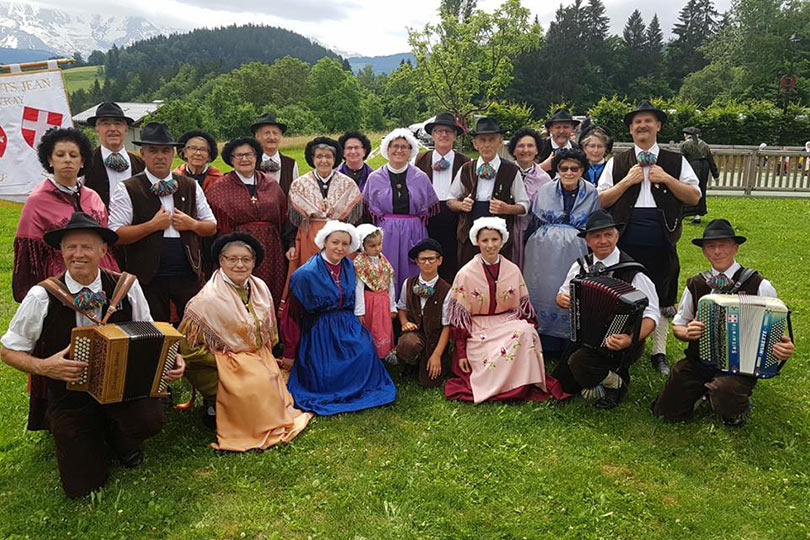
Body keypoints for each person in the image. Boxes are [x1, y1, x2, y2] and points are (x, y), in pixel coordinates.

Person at [0, 212, 185, 497]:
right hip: (70, 396)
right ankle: (88, 438)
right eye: (71, 247)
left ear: (103, 250)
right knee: (82, 487)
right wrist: (44, 366)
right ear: (61, 252)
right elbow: (8, 350)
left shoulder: (126, 286)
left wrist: (173, 358)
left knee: (151, 420)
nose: (78, 254)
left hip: (124, 389)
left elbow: (152, 332)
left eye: (87, 246)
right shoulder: (42, 295)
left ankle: (120, 440)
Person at [652, 219, 795, 426]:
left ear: (735, 248)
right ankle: (705, 394)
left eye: (723, 245)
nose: (717, 251)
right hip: (699, 362)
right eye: (711, 246)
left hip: (741, 367)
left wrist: (784, 347)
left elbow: (778, 333)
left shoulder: (759, 285)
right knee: (665, 412)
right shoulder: (696, 283)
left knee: (725, 391)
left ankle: (735, 407)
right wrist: (686, 332)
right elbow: (679, 325)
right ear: (704, 252)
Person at [597, 100, 701, 377]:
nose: (642, 126)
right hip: (626, 237)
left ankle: (659, 352)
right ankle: (619, 345)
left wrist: (666, 178)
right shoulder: (617, 161)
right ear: (631, 130)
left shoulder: (676, 161)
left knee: (663, 292)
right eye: (637, 122)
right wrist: (627, 182)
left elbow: (694, 196)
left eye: (648, 121)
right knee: (622, 291)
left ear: (658, 126)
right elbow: (601, 200)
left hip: (662, 236)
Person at [179, 232, 312, 448]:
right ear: (221, 261)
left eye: (246, 259)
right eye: (232, 259)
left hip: (254, 356)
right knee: (254, 385)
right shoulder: (206, 300)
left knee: (271, 381)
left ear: (253, 262)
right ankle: (218, 409)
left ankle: (240, 409)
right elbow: (190, 351)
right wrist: (233, 362)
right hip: (216, 363)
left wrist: (259, 358)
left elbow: (270, 333)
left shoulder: (259, 287)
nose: (239, 265)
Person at [444, 217, 565, 403]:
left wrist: (530, 331)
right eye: (485, 240)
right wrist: (460, 353)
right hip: (478, 325)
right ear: (477, 242)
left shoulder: (513, 270)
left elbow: (523, 309)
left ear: (502, 241)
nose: (490, 245)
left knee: (525, 331)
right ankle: (497, 385)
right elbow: (460, 319)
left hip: (507, 322)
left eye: (495, 239)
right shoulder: (466, 273)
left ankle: (521, 383)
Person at [282, 221, 397, 415]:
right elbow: (291, 316)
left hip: (347, 322)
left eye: (345, 244)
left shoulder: (351, 267)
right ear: (325, 241)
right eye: (335, 242)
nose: (340, 248)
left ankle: (358, 387)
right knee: (325, 368)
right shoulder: (305, 274)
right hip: (320, 328)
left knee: (364, 349)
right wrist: (290, 351)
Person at [108, 122, 217, 322]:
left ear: (174, 154)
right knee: (155, 330)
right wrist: (152, 226)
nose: (160, 156)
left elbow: (211, 226)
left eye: (166, 151)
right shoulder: (127, 188)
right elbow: (116, 235)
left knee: (194, 326)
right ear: (142, 154)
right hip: (147, 275)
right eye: (153, 151)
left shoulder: (190, 185)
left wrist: (191, 224)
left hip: (187, 272)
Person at [553, 210, 659, 409]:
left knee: (579, 363)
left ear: (617, 236)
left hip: (621, 343)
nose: (603, 241)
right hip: (586, 338)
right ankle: (600, 375)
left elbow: (652, 314)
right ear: (587, 241)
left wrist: (630, 339)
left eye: (608, 234)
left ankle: (617, 382)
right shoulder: (581, 266)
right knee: (564, 383)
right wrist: (562, 299)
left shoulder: (633, 272)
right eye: (596, 236)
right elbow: (561, 293)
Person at [13, 127, 120, 302]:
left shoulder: (93, 197)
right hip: (61, 279)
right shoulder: (37, 201)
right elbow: (29, 254)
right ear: (50, 159)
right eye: (60, 155)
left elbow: (107, 243)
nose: (67, 160)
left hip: (102, 274)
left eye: (73, 155)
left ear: (82, 160)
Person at [524, 148, 600, 357]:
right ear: (557, 169)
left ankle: (568, 340)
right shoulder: (545, 189)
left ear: (582, 169)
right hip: (543, 249)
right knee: (544, 289)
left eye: (574, 168)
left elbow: (593, 222)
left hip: (576, 248)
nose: (568, 172)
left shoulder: (592, 192)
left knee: (569, 290)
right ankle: (543, 341)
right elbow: (536, 218)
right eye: (563, 168)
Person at [205, 137, 288, 304]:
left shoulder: (271, 184)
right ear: (231, 159)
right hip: (237, 251)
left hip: (271, 250)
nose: (244, 159)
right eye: (239, 155)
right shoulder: (219, 187)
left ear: (256, 157)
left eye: (249, 154)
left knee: (268, 294)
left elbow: (282, 216)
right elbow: (215, 225)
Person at [285, 136, 363, 303]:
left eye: (328, 156)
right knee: (311, 277)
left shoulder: (348, 184)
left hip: (340, 237)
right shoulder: (299, 184)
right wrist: (292, 244)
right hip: (309, 237)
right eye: (319, 156)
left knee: (340, 279)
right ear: (312, 159)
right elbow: (293, 219)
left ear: (335, 159)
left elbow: (355, 220)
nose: (324, 160)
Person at [447, 117, 529, 268]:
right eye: (482, 140)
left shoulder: (511, 170)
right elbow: (450, 200)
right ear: (475, 144)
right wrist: (461, 205)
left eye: (491, 140)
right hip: (469, 237)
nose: (487, 144)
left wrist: (507, 208)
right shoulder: (466, 169)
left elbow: (524, 205)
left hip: (499, 240)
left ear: (500, 142)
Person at [364, 128, 439, 292]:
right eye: (395, 146)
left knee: (413, 269)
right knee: (386, 270)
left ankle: (412, 308)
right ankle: (387, 310)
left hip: (413, 231)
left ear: (410, 150)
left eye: (404, 147)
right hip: (386, 233)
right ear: (387, 149)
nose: (399, 150)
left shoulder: (421, 177)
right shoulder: (375, 178)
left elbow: (430, 208)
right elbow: (367, 208)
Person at [414, 112, 471, 281]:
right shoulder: (420, 159)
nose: (444, 135)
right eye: (439, 131)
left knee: (453, 261)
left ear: (455, 136)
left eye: (448, 131)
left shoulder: (465, 162)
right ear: (432, 135)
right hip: (428, 218)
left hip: (455, 218)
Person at [396, 238, 451, 388]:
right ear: (417, 262)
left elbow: (447, 326)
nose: (427, 263)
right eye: (423, 259)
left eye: (431, 259)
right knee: (408, 344)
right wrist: (404, 322)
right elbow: (401, 307)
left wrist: (437, 355)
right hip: (415, 334)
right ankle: (411, 362)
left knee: (430, 382)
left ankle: (428, 360)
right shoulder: (409, 283)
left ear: (439, 261)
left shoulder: (447, 290)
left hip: (435, 338)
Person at [82, 102, 145, 208]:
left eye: (118, 123)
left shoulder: (141, 164)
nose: (112, 128)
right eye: (105, 124)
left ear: (126, 129)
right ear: (97, 129)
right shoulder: (84, 163)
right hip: (97, 224)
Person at [506, 127, 553, 268]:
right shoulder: (505, 172)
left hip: (532, 233)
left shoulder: (544, 179)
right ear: (513, 151)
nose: (525, 150)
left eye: (530, 146)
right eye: (520, 146)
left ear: (537, 150)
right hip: (507, 231)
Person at [354, 224, 397, 360]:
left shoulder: (383, 260)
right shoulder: (359, 262)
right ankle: (370, 355)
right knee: (371, 327)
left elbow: (390, 283)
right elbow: (359, 287)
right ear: (363, 245)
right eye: (372, 246)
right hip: (369, 301)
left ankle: (383, 354)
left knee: (383, 327)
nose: (377, 248)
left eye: (379, 244)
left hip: (383, 300)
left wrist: (392, 305)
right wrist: (360, 310)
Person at [252, 112, 299, 195]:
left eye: (275, 133)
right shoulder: (251, 163)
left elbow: (296, 194)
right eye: (267, 133)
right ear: (257, 136)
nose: (272, 137)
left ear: (280, 136)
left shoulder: (291, 164)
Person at [680, 127, 719, 224]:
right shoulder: (705, 145)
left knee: (690, 188)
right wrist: (715, 174)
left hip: (693, 166)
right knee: (701, 189)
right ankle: (697, 215)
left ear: (686, 135)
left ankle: (686, 212)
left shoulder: (685, 144)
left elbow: (682, 159)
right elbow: (710, 160)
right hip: (704, 166)